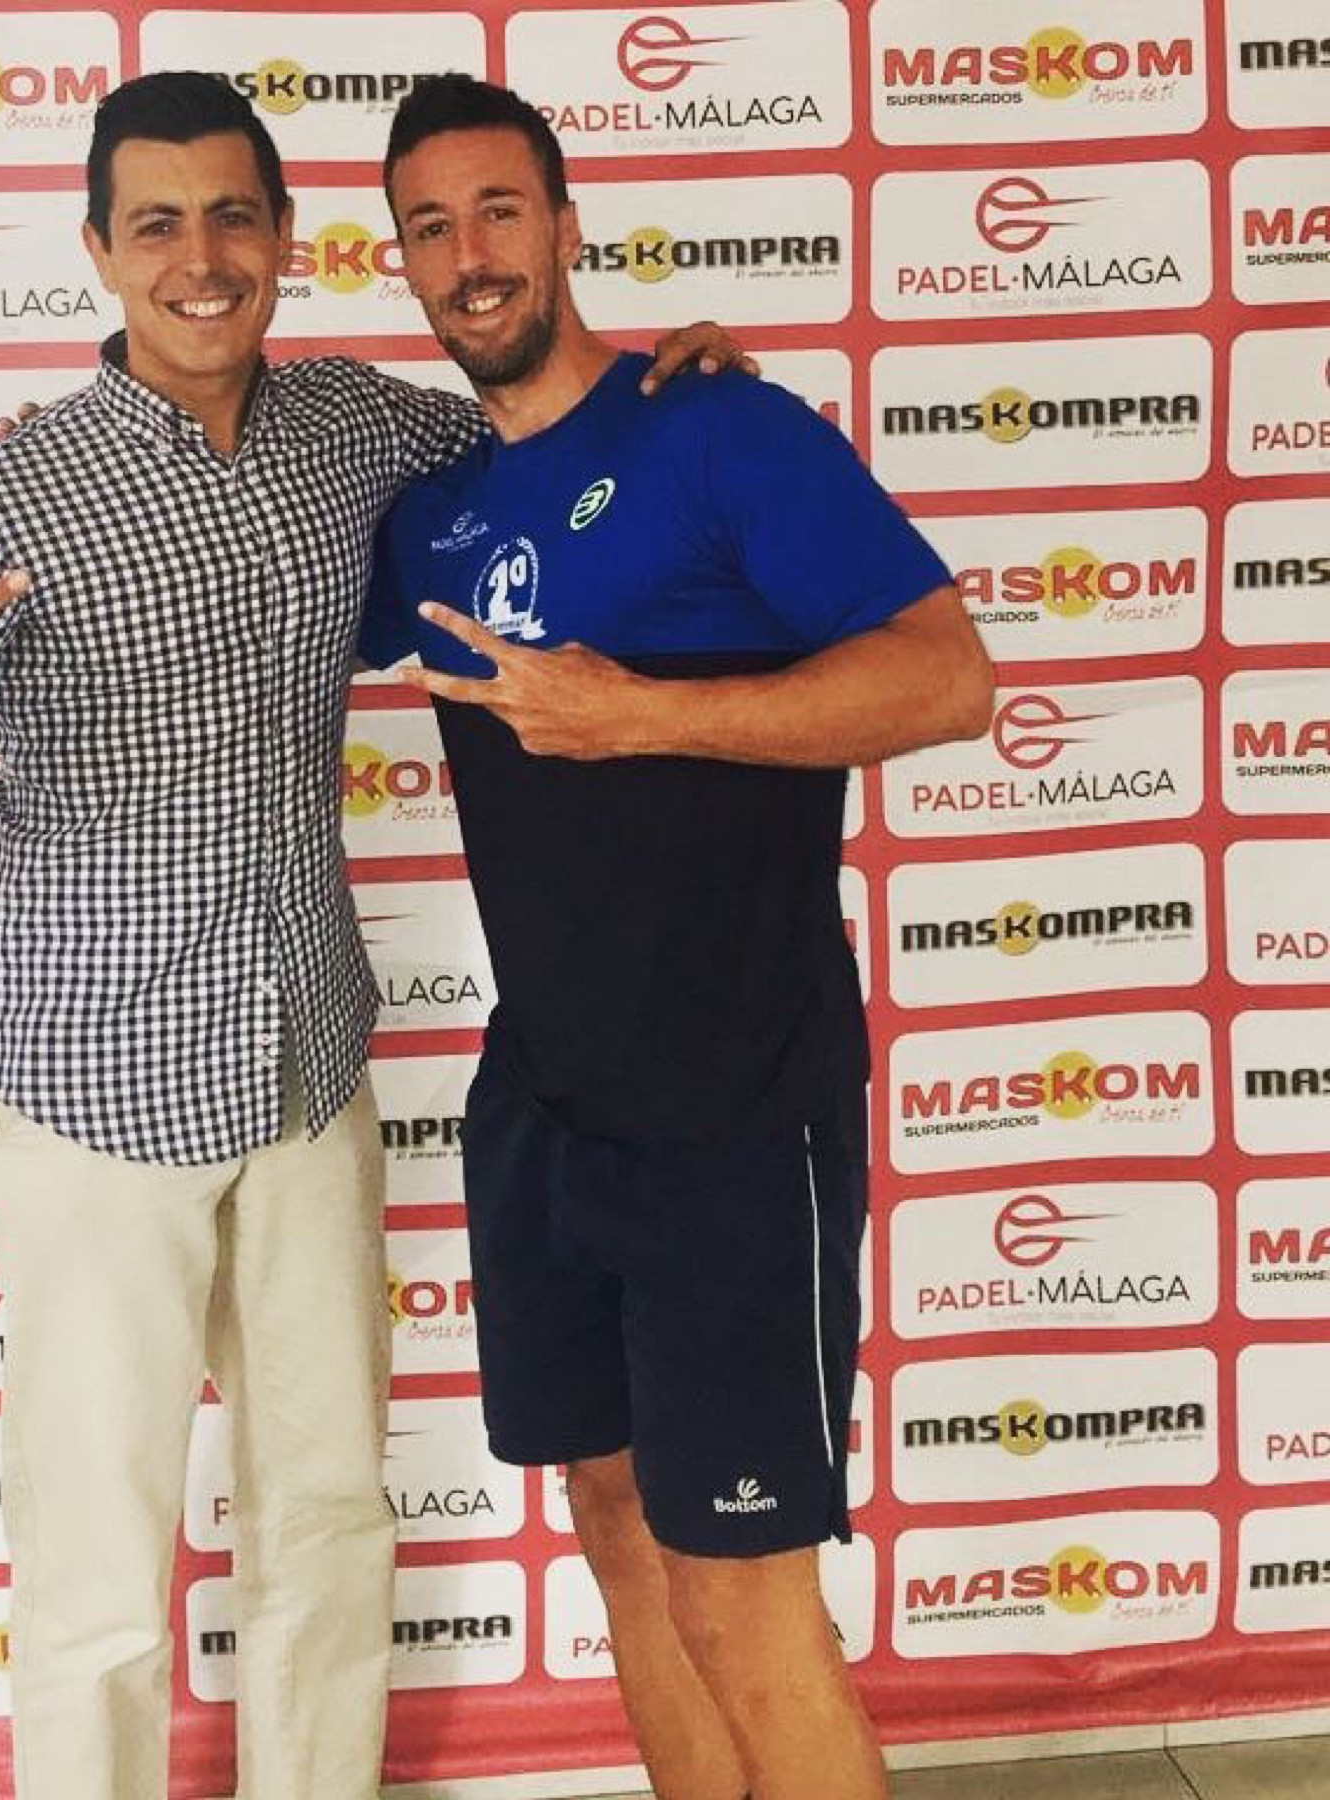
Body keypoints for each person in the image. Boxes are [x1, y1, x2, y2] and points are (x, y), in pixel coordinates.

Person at [0, 71, 746, 1800]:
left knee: (332, 1521)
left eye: (233, 217)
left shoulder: (354, 426)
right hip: (90, 1094)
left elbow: (538, 425)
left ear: (285, 239)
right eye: (158, 224)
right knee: (95, 1571)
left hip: (302, 1070)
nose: (199, 258)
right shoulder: (11, 497)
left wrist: (678, 388)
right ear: (99, 252)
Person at [361, 76, 995, 1800]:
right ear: (404, 263)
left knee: (740, 1595)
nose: (471, 256)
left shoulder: (722, 431)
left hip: (737, 1105)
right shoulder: (431, 512)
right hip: (547, 1102)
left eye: (501, 210)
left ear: (568, 228)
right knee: (616, 1523)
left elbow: (948, 679)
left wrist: (637, 714)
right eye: (431, 227)